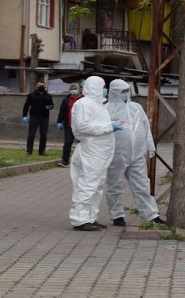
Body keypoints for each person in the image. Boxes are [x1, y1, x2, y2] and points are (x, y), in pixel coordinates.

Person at [104, 79, 166, 226]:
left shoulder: (136, 107)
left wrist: (150, 146)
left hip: (137, 154)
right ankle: (117, 215)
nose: (126, 94)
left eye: (127, 91)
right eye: (122, 91)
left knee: (142, 184)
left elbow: (145, 127)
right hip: (116, 154)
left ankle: (151, 215)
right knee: (115, 185)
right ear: (114, 92)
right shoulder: (106, 109)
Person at [68, 76, 123, 231]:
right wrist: (108, 127)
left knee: (97, 185)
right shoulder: (83, 104)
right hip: (92, 150)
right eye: (103, 86)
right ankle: (80, 219)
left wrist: (110, 126)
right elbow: (82, 127)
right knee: (87, 184)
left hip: (100, 151)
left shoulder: (99, 105)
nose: (105, 89)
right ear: (95, 87)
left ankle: (90, 218)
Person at [22, 80, 54, 156]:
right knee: (31, 134)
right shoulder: (31, 95)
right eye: (39, 86)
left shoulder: (48, 96)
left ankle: (41, 151)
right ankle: (29, 151)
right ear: (36, 86)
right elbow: (26, 106)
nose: (41, 87)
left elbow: (52, 105)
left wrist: (50, 107)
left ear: (45, 86)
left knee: (43, 135)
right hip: (34, 117)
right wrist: (24, 115)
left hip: (45, 117)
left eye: (42, 86)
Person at [56, 82, 83, 167]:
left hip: (81, 126)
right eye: (71, 89)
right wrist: (59, 121)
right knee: (68, 142)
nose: (73, 90)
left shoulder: (84, 99)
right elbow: (62, 111)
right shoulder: (66, 100)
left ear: (79, 89)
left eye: (75, 89)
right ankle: (65, 160)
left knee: (82, 143)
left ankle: (83, 161)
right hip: (69, 125)